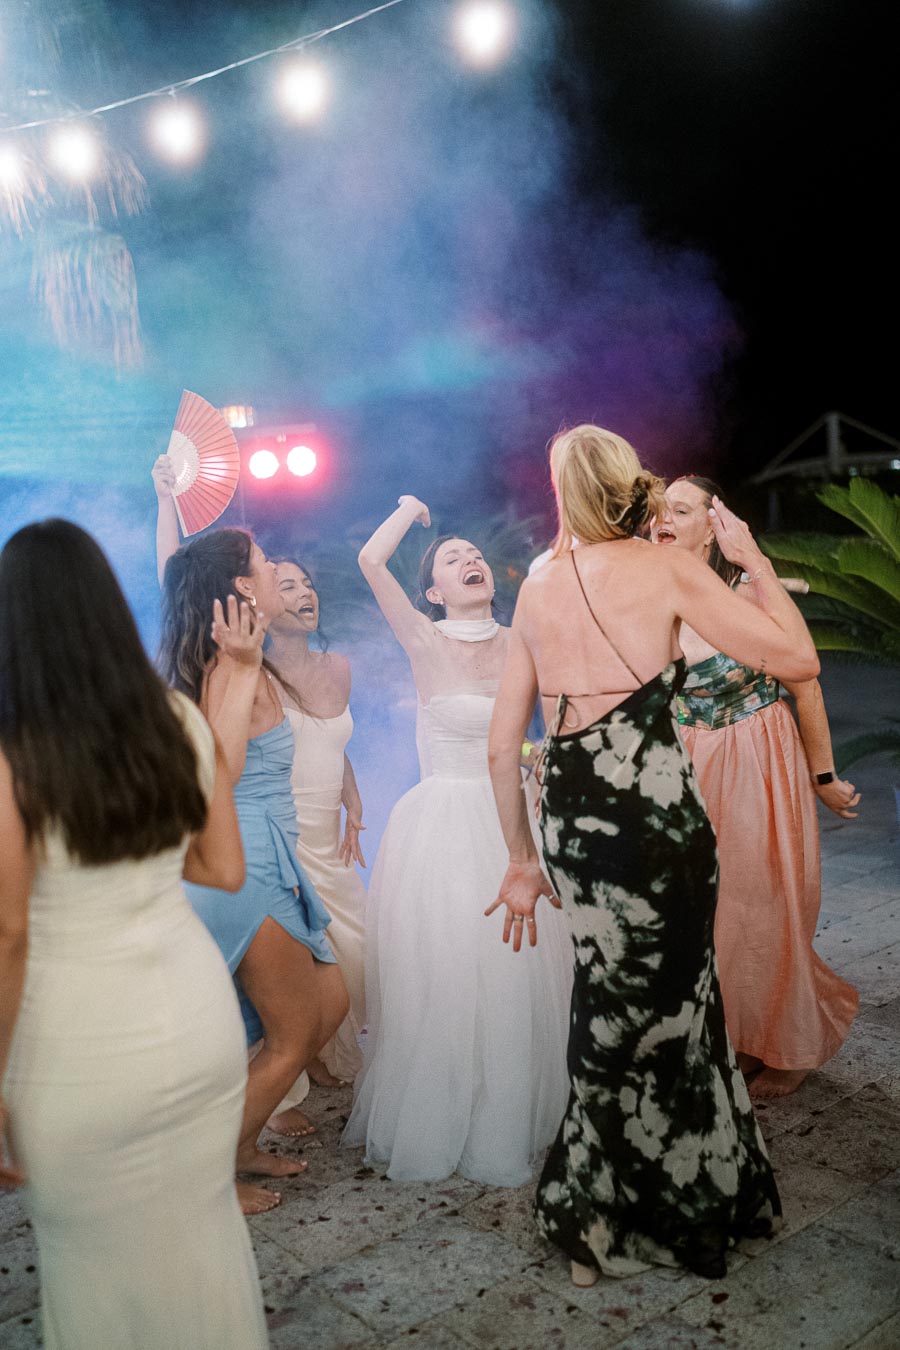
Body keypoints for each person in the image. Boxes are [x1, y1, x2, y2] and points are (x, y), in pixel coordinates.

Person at [487, 426, 820, 1285]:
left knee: (603, 999)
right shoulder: (668, 570)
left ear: (563, 494)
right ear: (629, 484)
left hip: (573, 818)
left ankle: (593, 1218)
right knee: (680, 1002)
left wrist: (521, 860)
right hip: (655, 813)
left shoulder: (536, 585)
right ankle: (688, 1202)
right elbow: (797, 659)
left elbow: (500, 745)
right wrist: (752, 563)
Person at [0, 519, 269, 1349]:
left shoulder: (13, 755)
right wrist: (137, 859)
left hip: (80, 1047)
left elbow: (8, 933)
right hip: (196, 1025)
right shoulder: (175, 721)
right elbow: (224, 868)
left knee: (95, 1269)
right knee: (202, 1239)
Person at [343, 497, 573, 1185]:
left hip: (514, 819)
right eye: (453, 558)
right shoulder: (423, 638)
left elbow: (528, 729)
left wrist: (537, 759)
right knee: (449, 966)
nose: (471, 560)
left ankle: (510, 1108)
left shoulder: (521, 639)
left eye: (475, 555)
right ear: (434, 591)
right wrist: (408, 509)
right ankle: (445, 1108)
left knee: (515, 970)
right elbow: (370, 560)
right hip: (443, 823)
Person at [158, 528, 349, 1214]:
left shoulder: (248, 657)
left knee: (331, 1001)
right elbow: (222, 772)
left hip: (272, 851)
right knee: (292, 1035)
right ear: (242, 586)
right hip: (249, 862)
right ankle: (207, 1175)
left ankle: (236, 1144)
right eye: (265, 564)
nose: (275, 570)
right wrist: (240, 667)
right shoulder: (228, 665)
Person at [653, 475, 859, 1096]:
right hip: (688, 762)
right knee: (708, 908)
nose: (663, 519)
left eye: (680, 509)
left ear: (711, 529)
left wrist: (824, 777)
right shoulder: (648, 595)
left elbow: (806, 684)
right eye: (659, 509)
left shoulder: (745, 593)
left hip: (755, 755)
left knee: (764, 902)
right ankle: (742, 1038)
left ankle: (790, 1046)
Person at [265, 558, 367, 1111]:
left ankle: (314, 1052)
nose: (306, 592)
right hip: (283, 830)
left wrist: (353, 797)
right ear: (261, 605)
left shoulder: (339, 667)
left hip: (330, 832)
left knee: (357, 948)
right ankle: (281, 1082)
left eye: (307, 582)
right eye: (288, 586)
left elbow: (332, 741)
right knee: (293, 961)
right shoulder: (255, 676)